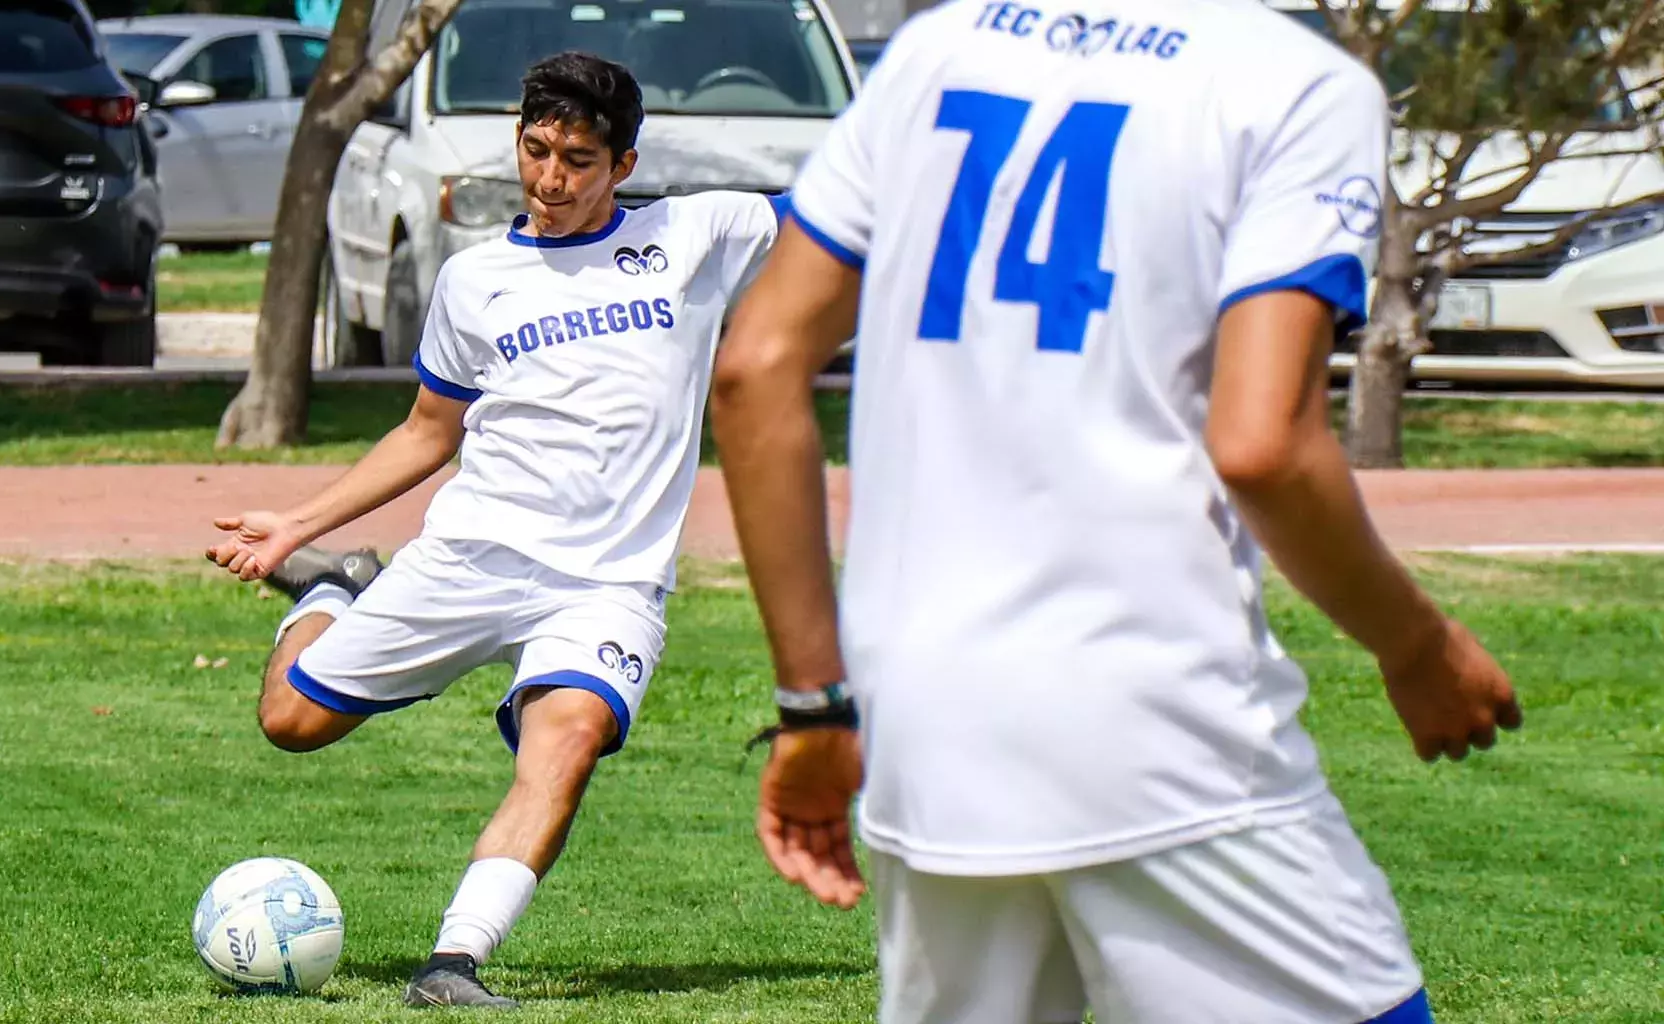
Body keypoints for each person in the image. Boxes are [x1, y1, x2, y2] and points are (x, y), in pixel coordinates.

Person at [708, 2, 1524, 1022]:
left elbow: (755, 365)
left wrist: (813, 703)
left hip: (926, 719)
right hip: (1157, 726)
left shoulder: (936, 47)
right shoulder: (1297, 84)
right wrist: (1419, 648)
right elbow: (1264, 444)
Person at [205, 51, 785, 1009]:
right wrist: (293, 527)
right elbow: (428, 432)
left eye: (579, 160)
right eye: (537, 149)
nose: (551, 178)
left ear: (624, 166)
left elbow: (856, 213)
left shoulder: (701, 233)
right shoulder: (477, 281)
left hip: (607, 584)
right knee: (291, 722)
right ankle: (334, 585)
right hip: (471, 556)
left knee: (568, 739)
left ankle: (454, 962)